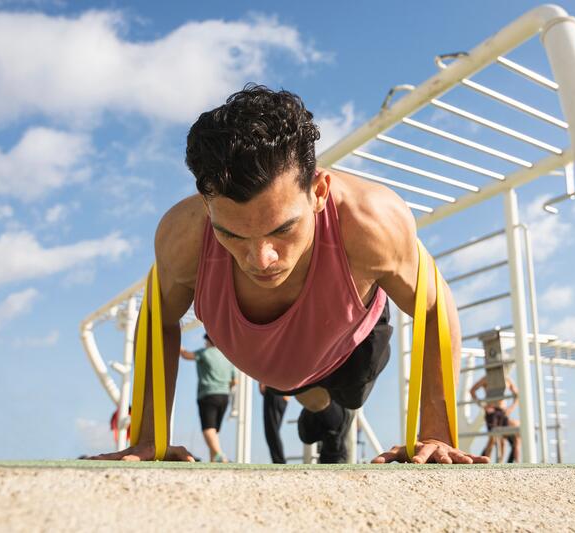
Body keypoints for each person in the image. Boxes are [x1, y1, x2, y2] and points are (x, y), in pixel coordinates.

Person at [90, 84, 487, 465]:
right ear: (207, 205)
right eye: (231, 234)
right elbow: (158, 320)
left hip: (350, 351)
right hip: (277, 367)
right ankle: (327, 419)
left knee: (345, 400)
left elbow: (434, 307)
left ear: (319, 191)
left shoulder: (371, 221)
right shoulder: (182, 234)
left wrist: (437, 435)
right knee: (306, 397)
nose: (260, 259)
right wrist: (146, 439)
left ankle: (333, 419)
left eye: (282, 229)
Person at [179, 334, 237, 462]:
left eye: (205, 341)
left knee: (208, 429)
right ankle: (213, 462)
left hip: (208, 394)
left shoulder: (205, 353)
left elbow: (185, 355)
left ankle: (220, 456)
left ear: (209, 341)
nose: (204, 343)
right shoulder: (227, 357)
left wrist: (175, 341)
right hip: (224, 396)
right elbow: (235, 381)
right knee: (214, 431)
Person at [469, 373, 520, 463]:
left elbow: (516, 394)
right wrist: (483, 405)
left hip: (503, 412)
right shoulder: (486, 378)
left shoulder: (507, 380)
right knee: (492, 439)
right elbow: (472, 390)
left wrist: (510, 408)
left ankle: (504, 464)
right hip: (491, 413)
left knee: (505, 440)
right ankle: (485, 463)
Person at [259, 381, 289, 464]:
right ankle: (279, 461)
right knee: (273, 430)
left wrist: (262, 383)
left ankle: (279, 461)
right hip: (284, 393)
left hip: (273, 391)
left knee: (271, 431)